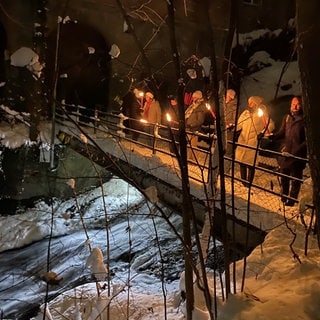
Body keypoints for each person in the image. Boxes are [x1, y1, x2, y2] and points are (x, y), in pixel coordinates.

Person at [270, 96, 307, 206]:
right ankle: (284, 196)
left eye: (297, 104)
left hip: (297, 155)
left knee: (295, 179)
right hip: (286, 153)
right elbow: (282, 133)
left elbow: (307, 140)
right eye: (293, 104)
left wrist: (297, 151)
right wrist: (272, 136)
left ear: (302, 105)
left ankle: (292, 200)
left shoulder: (305, 120)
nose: (294, 106)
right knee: (284, 176)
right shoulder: (287, 118)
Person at [235, 95, 275, 186]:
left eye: (252, 102)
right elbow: (239, 125)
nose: (250, 104)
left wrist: (262, 132)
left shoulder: (261, 113)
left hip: (253, 141)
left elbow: (270, 124)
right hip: (243, 140)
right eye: (249, 102)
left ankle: (248, 183)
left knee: (250, 164)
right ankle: (243, 182)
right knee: (242, 162)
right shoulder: (246, 113)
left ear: (256, 103)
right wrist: (232, 127)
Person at [185, 90, 208, 161]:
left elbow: (200, 120)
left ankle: (194, 159)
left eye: (195, 97)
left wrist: (192, 124)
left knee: (193, 145)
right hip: (188, 127)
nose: (193, 99)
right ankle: (189, 158)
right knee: (189, 145)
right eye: (193, 97)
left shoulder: (200, 107)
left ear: (198, 98)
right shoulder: (192, 106)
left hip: (194, 129)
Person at [224, 89, 238, 169]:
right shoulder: (224, 105)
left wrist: (230, 125)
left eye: (227, 95)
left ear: (230, 96)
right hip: (222, 130)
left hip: (229, 132)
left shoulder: (233, 107)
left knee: (227, 151)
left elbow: (235, 120)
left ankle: (225, 170)